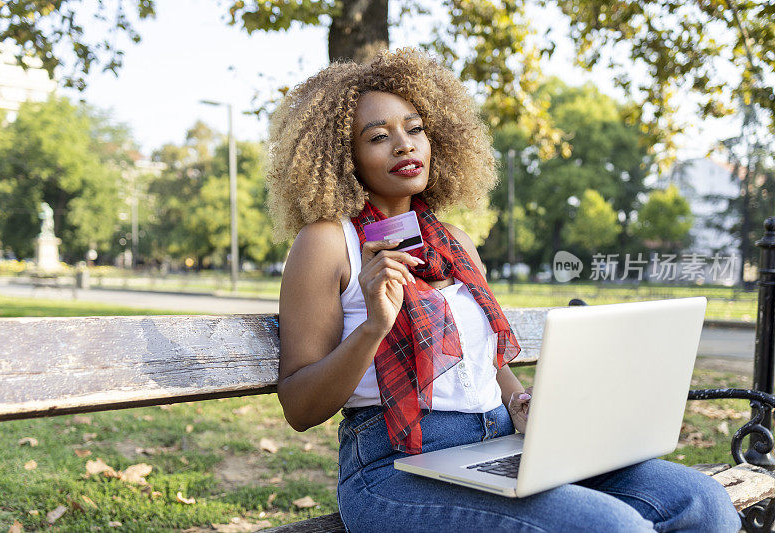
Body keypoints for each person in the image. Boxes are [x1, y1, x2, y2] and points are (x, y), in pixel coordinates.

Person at [267, 47, 740, 533]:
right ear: (344, 157)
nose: (405, 145)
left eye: (415, 129)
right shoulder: (328, 243)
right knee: (609, 526)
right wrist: (373, 327)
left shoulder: (454, 243)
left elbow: (491, 367)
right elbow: (301, 408)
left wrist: (519, 404)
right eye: (378, 137)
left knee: (702, 502)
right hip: (395, 469)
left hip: (501, 445)